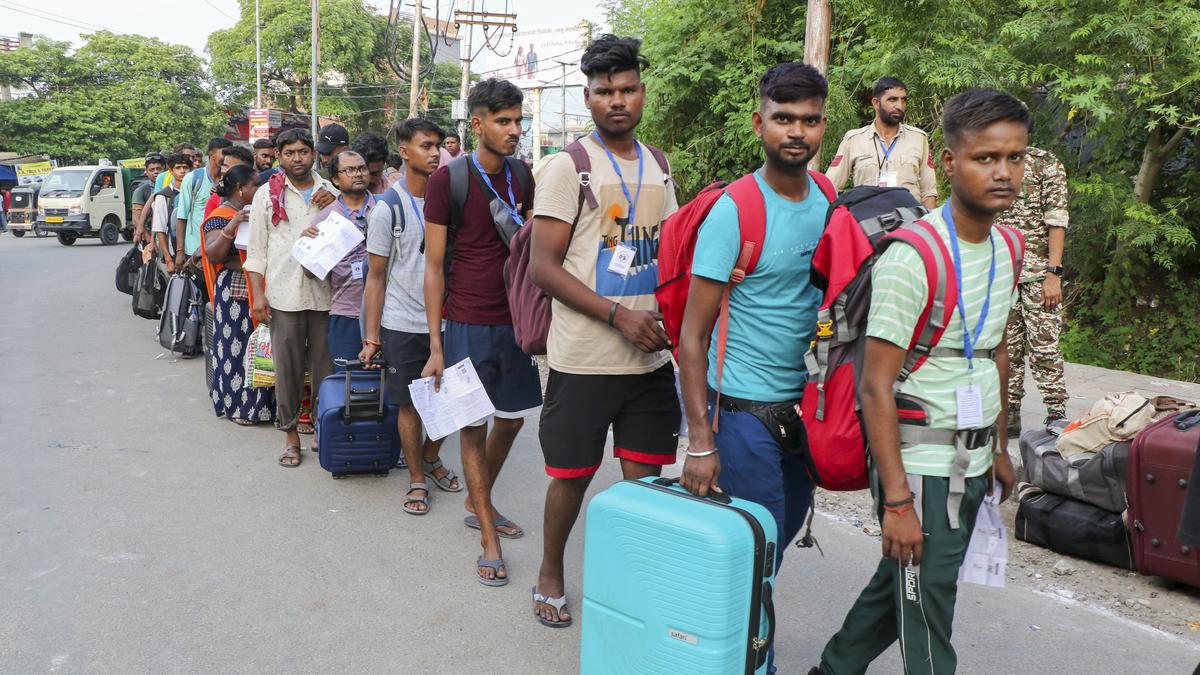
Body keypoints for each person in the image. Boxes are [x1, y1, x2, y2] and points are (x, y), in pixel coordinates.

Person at [812, 88, 1027, 675]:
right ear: (950, 164)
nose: (1003, 172)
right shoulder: (915, 255)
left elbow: (995, 350)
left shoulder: (1009, 244)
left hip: (973, 453)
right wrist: (899, 501)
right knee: (929, 607)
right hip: (921, 464)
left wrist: (1000, 445)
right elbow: (874, 386)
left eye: (1015, 157)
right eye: (986, 158)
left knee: (903, 586)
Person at [677, 62, 833, 673]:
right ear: (759, 122)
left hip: (805, 412)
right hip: (742, 414)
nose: (797, 132)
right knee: (752, 557)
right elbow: (691, 338)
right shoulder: (734, 211)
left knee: (771, 550)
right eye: (783, 119)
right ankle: (745, 662)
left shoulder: (826, 198)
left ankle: (716, 643)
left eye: (810, 120)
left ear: (823, 124)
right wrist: (699, 440)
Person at [528, 34, 679, 629]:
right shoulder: (569, 167)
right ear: (587, 98)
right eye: (604, 92)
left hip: (650, 362)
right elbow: (544, 268)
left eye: (627, 89)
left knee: (644, 487)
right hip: (585, 358)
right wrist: (620, 315)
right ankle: (550, 571)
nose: (617, 100)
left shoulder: (660, 164)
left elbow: (670, 250)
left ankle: (631, 592)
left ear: (642, 92)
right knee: (572, 478)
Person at [423, 78, 541, 585]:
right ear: (476, 124)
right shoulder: (447, 181)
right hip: (467, 320)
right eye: (503, 121)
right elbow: (432, 268)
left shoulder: (523, 174)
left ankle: (478, 499)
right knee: (472, 426)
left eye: (519, 121)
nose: (515, 130)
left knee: (511, 421)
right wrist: (435, 345)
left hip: (516, 321)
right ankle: (487, 533)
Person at [360, 117, 461, 516]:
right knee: (408, 405)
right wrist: (372, 336)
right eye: (426, 146)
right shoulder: (388, 207)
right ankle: (417, 476)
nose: (435, 153)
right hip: (403, 322)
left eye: (438, 145)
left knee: (455, 401)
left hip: (451, 320)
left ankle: (431, 456)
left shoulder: (450, 198)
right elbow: (376, 277)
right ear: (404, 152)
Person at [243, 129, 339, 468]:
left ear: (314, 154)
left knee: (327, 372)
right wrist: (257, 294)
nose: (296, 158)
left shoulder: (332, 191)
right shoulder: (266, 196)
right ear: (280, 157)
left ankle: (323, 434)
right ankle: (290, 436)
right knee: (288, 372)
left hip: (328, 296)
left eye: (302, 151)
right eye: (289, 153)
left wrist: (337, 201)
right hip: (284, 295)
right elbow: (256, 252)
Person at [998, 146, 1069, 433]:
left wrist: (1053, 274)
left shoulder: (1045, 163)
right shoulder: (990, 161)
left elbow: (1057, 220)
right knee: (1006, 349)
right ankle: (1010, 412)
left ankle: (1056, 413)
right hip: (1001, 274)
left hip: (1039, 275)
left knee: (1045, 348)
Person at [202, 165, 277, 427]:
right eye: (255, 185)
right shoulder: (221, 215)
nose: (259, 190)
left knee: (261, 346)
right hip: (235, 291)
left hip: (259, 285)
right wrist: (231, 226)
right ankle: (238, 406)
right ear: (240, 189)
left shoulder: (258, 212)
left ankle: (264, 406)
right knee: (237, 347)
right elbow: (213, 255)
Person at [303, 150, 377, 365]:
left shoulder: (383, 208)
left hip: (385, 312)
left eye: (362, 168)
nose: (358, 174)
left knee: (382, 382)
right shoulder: (327, 216)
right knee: (348, 381)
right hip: (346, 312)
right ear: (335, 179)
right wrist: (308, 247)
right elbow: (309, 272)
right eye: (349, 170)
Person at [825, 76, 938, 209]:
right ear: (876, 103)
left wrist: (928, 226)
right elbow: (830, 187)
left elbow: (929, 193)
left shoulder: (919, 138)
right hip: (867, 223)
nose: (899, 106)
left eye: (903, 100)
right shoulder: (854, 140)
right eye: (892, 100)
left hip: (910, 223)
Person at [174, 138, 232, 272]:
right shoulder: (193, 178)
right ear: (212, 154)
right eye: (224, 153)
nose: (226, 158)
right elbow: (182, 217)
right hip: (195, 248)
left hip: (221, 249)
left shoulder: (229, 180)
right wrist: (180, 252)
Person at [151, 154, 194, 274]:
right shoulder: (163, 196)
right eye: (178, 168)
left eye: (185, 167)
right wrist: (168, 259)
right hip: (173, 250)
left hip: (194, 249)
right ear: (170, 171)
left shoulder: (196, 192)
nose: (182, 171)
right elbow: (160, 229)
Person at [204, 145, 255, 219]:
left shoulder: (259, 198)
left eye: (232, 168)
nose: (224, 170)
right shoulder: (215, 199)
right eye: (224, 165)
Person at [131, 154, 165, 244]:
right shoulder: (141, 191)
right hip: (148, 235)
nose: (156, 172)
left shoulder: (171, 185)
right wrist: (148, 239)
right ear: (146, 172)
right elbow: (136, 219)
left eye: (159, 168)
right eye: (152, 170)